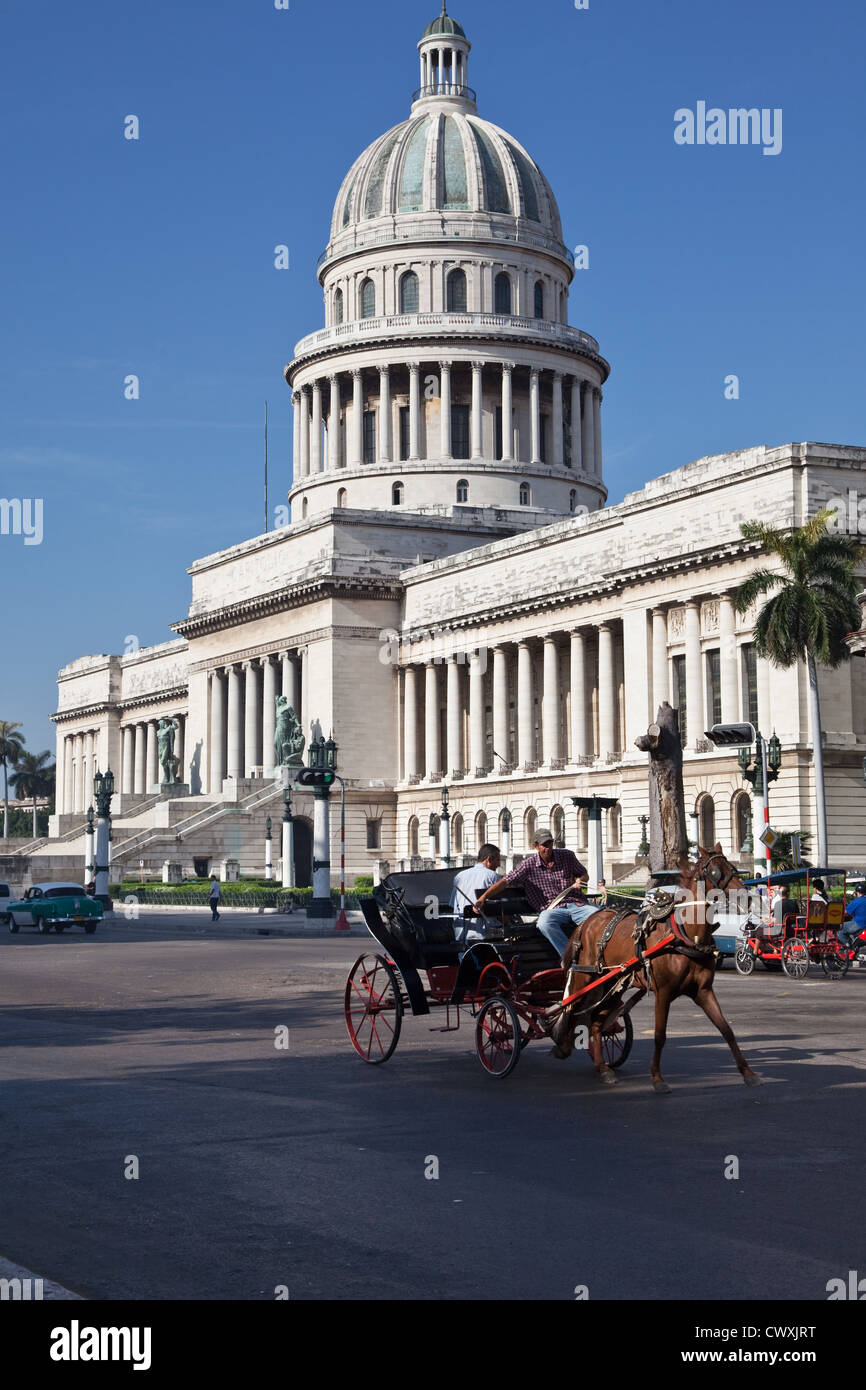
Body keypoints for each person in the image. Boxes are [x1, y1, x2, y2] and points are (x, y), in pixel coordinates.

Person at [472, 830, 598, 959]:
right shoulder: (528, 865)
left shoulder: (567, 856)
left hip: (577, 904)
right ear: (536, 846)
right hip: (553, 909)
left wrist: (580, 880)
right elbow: (505, 881)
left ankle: (599, 955)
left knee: (600, 917)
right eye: (544, 845)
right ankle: (569, 957)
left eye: (550, 843)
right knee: (544, 923)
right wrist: (483, 897)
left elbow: (584, 874)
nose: (548, 848)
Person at [449, 844, 501, 943]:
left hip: (461, 933)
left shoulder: (459, 876)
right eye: (498, 860)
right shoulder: (492, 876)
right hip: (483, 933)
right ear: (488, 859)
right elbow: (499, 908)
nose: (499, 865)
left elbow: (453, 904)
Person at [839, 883, 866, 949]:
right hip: (863, 924)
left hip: (859, 924)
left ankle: (848, 947)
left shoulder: (857, 901)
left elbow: (845, 912)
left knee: (840, 928)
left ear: (857, 893)